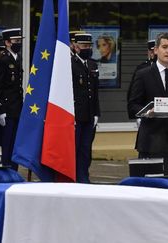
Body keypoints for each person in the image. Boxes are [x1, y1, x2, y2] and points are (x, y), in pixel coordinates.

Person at [127, 32, 168, 181]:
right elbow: (132, 106)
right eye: (164, 47)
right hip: (151, 141)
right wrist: (148, 112)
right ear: (156, 50)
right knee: (150, 186)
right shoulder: (143, 74)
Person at [0, 28, 23, 170]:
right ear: (7, 43)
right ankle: (5, 170)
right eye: (16, 41)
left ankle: (13, 170)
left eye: (19, 41)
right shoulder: (3, 60)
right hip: (7, 108)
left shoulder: (17, 58)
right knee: (6, 141)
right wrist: (0, 110)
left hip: (17, 107)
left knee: (15, 143)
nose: (18, 43)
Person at [72, 33, 101, 183]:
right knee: (75, 149)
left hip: (89, 114)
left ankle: (84, 177)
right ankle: (75, 177)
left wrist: (96, 112)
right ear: (76, 47)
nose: (87, 49)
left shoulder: (92, 64)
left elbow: (94, 91)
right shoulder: (70, 64)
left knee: (86, 149)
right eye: (84, 46)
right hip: (76, 115)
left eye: (89, 46)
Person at [127, 39, 156, 119]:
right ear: (148, 51)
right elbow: (133, 92)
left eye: (155, 50)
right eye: (151, 50)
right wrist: (139, 113)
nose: (153, 53)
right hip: (144, 110)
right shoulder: (141, 68)